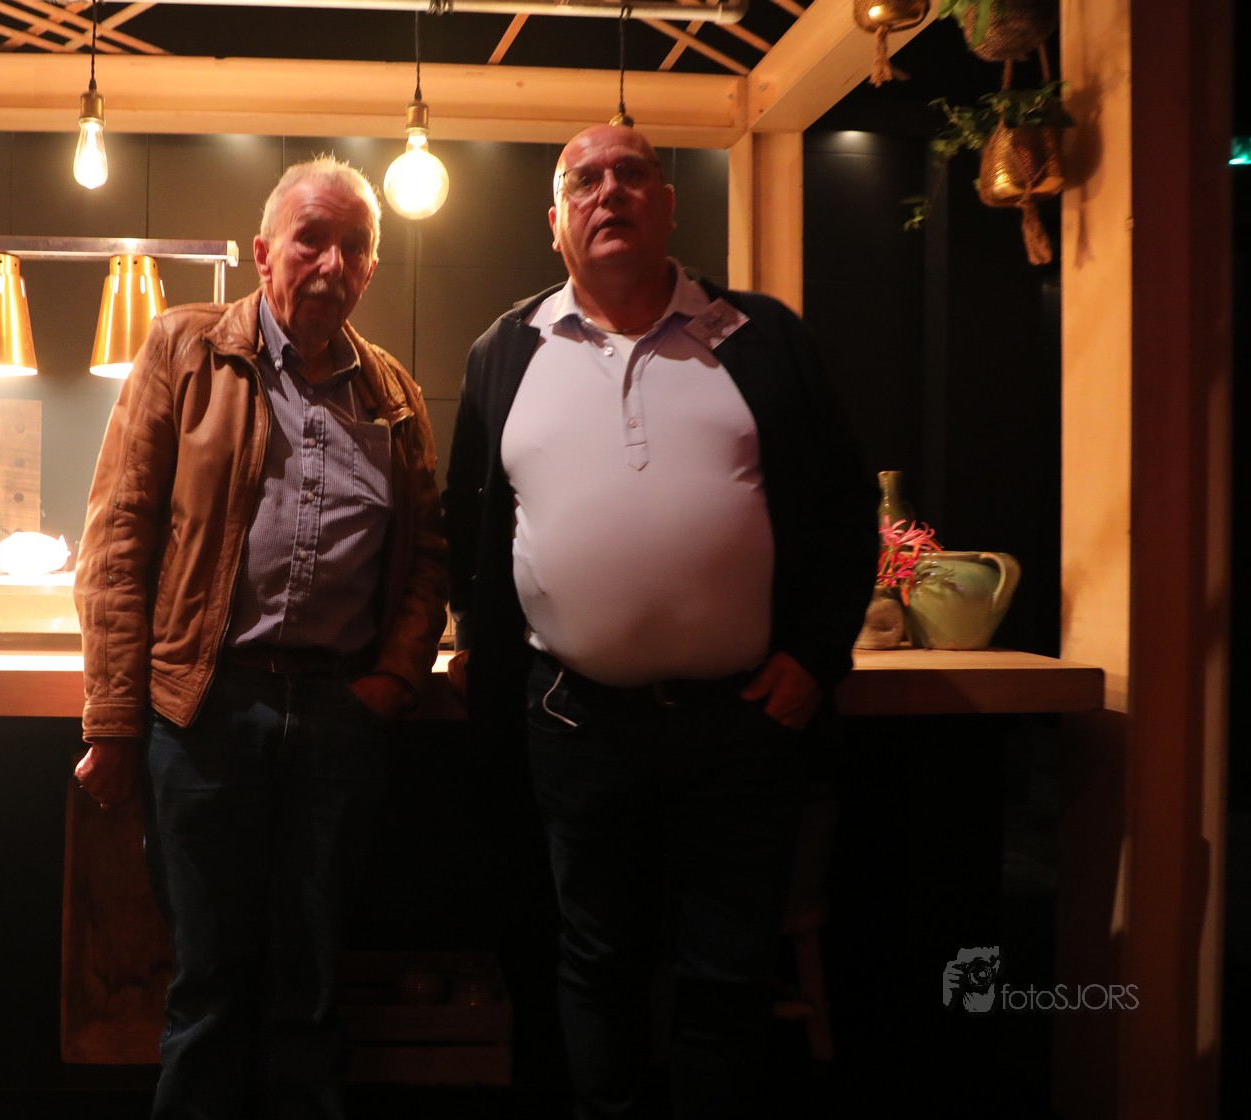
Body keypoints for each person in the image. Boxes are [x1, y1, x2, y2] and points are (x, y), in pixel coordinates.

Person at [442, 123, 874, 1117]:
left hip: (744, 722)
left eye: (631, 173)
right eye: (584, 181)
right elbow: (466, 514)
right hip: (573, 724)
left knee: (728, 971)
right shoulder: (506, 351)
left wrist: (817, 655)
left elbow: (847, 506)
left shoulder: (761, 336)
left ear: (669, 205)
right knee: (596, 963)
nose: (609, 192)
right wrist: (475, 635)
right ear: (554, 220)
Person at [73, 156, 448, 1119]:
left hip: (340, 714)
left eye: (353, 247)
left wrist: (392, 683)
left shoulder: (395, 395)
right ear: (263, 252)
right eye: (310, 239)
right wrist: (112, 719)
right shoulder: (185, 348)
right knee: (208, 982)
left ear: (371, 270)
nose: (331, 263)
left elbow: (426, 560)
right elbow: (118, 535)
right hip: (206, 707)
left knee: (311, 985)